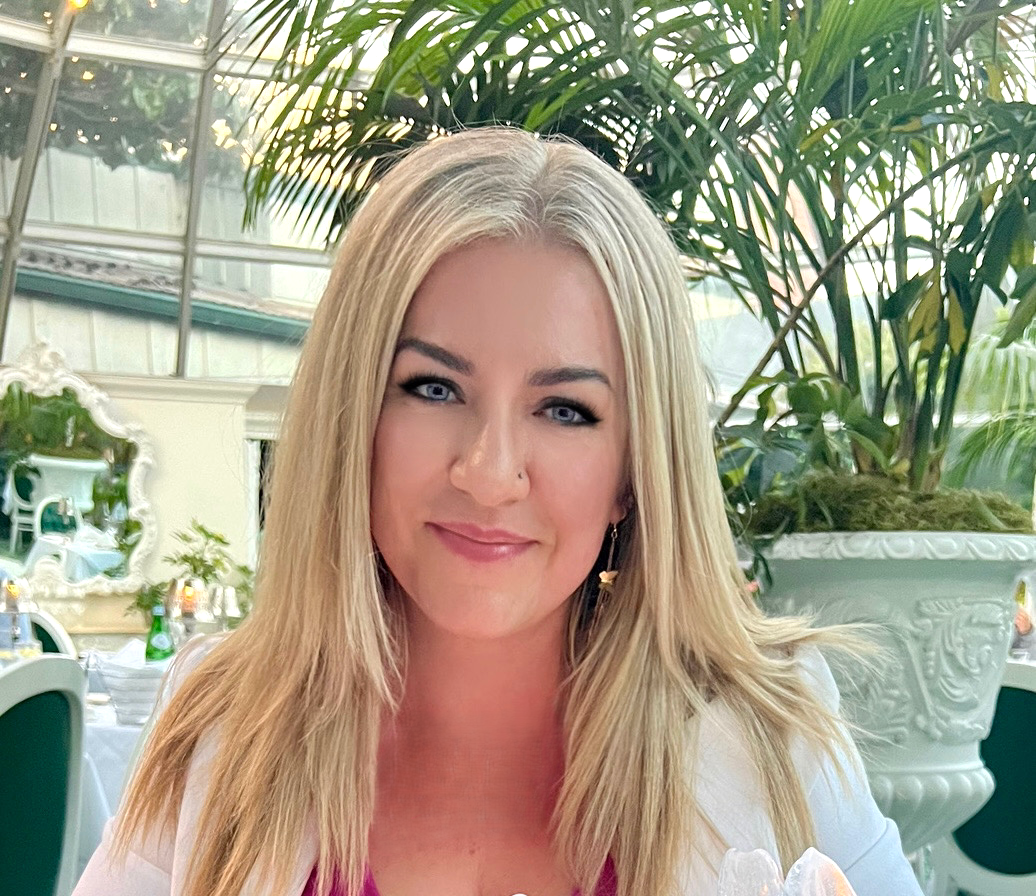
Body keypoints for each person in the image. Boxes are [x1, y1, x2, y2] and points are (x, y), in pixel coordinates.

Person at [74, 127, 922, 896]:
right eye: (433, 387)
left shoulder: (772, 736)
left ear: (636, 468)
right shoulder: (222, 719)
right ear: (351, 420)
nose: (489, 473)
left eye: (565, 410)